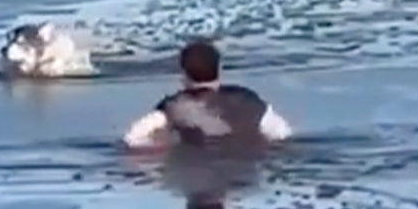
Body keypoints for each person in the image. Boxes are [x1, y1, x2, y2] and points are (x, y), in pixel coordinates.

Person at [121, 38, 293, 149]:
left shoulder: (172, 107)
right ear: (219, 69)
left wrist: (160, 144)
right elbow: (282, 132)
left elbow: (133, 138)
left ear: (183, 74)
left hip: (195, 161)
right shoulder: (249, 100)